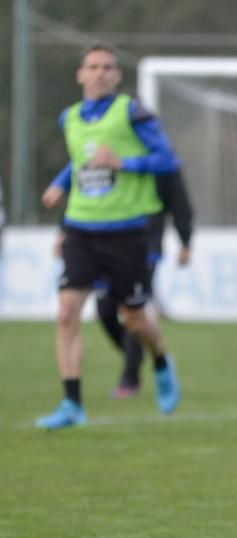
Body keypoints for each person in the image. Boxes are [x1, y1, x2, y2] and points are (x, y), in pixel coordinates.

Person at [37, 43, 181, 429]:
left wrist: (125, 163)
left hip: (126, 232)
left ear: (117, 76)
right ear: (80, 75)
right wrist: (59, 182)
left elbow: (168, 159)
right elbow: (82, 159)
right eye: (92, 66)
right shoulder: (69, 118)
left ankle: (162, 361)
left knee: (134, 319)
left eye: (107, 67)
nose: (100, 72)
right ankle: (72, 404)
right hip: (80, 229)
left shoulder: (132, 113)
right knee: (67, 313)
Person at [95, 168, 194, 398]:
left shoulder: (159, 158)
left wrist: (185, 241)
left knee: (132, 312)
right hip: (103, 243)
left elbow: (179, 202)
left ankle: (129, 379)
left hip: (143, 247)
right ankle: (147, 354)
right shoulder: (109, 150)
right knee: (105, 311)